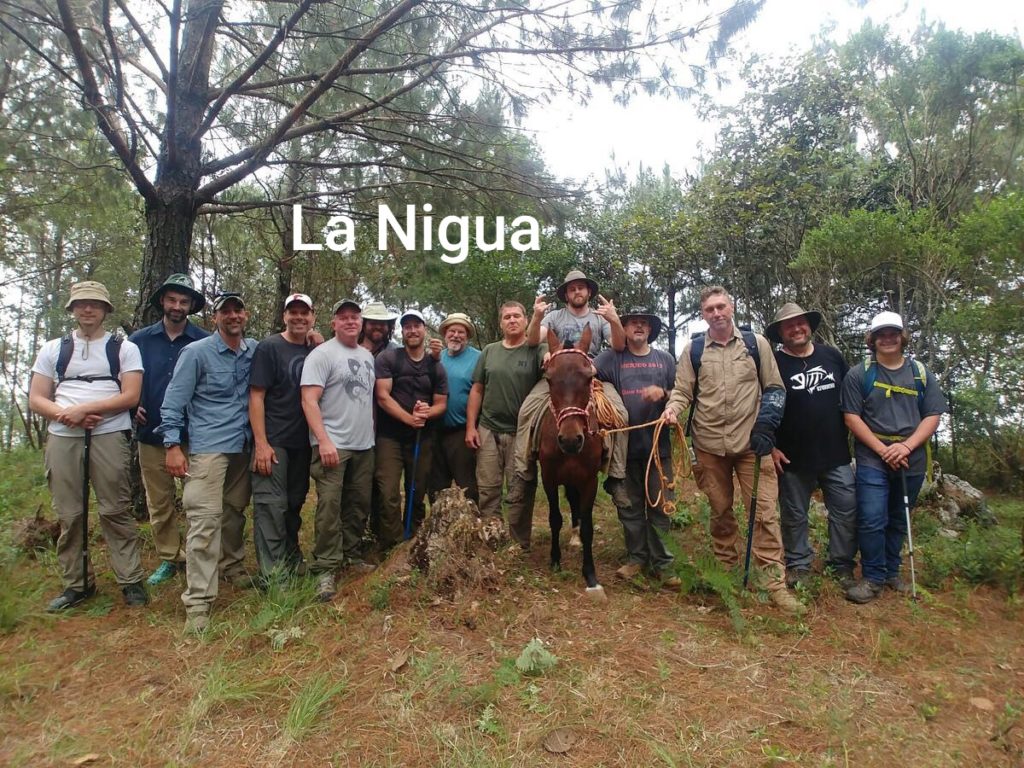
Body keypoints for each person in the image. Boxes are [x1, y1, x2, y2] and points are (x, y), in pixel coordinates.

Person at [662, 286, 803, 615]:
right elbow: (683, 390)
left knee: (765, 514)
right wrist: (672, 409)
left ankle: (774, 585)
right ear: (702, 314)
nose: (716, 313)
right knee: (721, 513)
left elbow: (775, 388)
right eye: (709, 308)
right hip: (709, 447)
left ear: (732, 307)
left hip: (753, 447)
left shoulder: (756, 345)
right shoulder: (694, 350)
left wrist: (767, 425)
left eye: (721, 306)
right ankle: (727, 577)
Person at [30, 281, 148, 611]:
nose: (88, 309)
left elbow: (131, 395)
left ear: (106, 310)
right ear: (72, 308)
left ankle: (130, 579)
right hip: (64, 435)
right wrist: (68, 415)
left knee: (115, 508)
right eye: (81, 303)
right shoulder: (54, 349)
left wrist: (89, 410)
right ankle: (77, 584)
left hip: (109, 432)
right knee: (70, 512)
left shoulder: (123, 349)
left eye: (95, 304)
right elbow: (37, 398)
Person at [159, 291, 257, 635]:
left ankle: (232, 565)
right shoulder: (196, 353)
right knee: (204, 519)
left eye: (238, 309)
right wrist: (172, 444)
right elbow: (173, 402)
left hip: (244, 446)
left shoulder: (254, 351)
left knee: (234, 511)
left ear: (245, 315)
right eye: (225, 311)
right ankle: (198, 602)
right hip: (208, 448)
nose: (233, 315)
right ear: (215, 317)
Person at [840, 311, 945, 604]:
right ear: (872, 339)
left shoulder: (920, 373)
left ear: (902, 337)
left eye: (893, 333)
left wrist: (906, 447)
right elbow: (851, 416)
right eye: (881, 334)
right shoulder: (859, 374)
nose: (888, 339)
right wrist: (883, 449)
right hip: (874, 455)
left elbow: (932, 416)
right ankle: (872, 577)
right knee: (872, 517)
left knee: (899, 518)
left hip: (911, 455)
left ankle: (891, 572)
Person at [516, 269, 631, 525]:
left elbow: (620, 345)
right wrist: (536, 317)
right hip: (558, 379)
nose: (577, 292)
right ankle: (523, 469)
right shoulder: (555, 316)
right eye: (572, 288)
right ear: (566, 294)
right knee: (526, 411)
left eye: (581, 287)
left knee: (621, 414)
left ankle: (616, 476)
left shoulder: (600, 318)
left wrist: (614, 320)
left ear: (588, 292)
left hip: (589, 378)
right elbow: (533, 340)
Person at [766, 302, 857, 589]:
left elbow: (853, 399)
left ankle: (841, 564)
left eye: (800, 323)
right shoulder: (774, 364)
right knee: (794, 515)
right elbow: (759, 406)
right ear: (781, 333)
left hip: (836, 453)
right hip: (791, 457)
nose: (796, 328)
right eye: (788, 325)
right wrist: (770, 447)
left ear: (809, 326)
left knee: (846, 510)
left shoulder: (832, 356)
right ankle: (799, 565)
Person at [129, 273, 209, 587]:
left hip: (194, 434)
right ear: (162, 302)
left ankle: (196, 555)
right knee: (159, 501)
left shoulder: (203, 341)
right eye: (172, 299)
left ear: (191, 306)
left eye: (184, 301)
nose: (177, 306)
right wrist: (130, 406)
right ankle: (169, 558)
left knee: (196, 500)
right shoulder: (139, 341)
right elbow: (122, 381)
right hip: (151, 434)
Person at [595, 309, 680, 586]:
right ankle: (636, 558)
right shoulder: (611, 358)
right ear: (625, 328)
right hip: (624, 449)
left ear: (650, 330)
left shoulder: (665, 360)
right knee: (629, 508)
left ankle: (664, 565)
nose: (639, 327)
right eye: (634, 323)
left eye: (644, 323)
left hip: (658, 448)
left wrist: (664, 395)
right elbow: (587, 372)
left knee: (661, 506)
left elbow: (680, 394)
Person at [300, 299, 377, 602]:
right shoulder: (322, 355)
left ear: (361, 323)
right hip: (333, 444)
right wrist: (323, 440)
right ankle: (325, 568)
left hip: (363, 445)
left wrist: (370, 435)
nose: (349, 322)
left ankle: (352, 556)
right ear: (333, 323)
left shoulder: (366, 356)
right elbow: (309, 400)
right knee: (329, 508)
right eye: (343, 318)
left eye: (354, 317)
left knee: (357, 505)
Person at [249, 292, 320, 583]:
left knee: (294, 503)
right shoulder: (269, 348)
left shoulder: (316, 350)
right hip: (275, 438)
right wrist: (261, 444)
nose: (299, 317)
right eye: (294, 312)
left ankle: (292, 557)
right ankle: (273, 573)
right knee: (270, 505)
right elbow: (256, 396)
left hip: (303, 440)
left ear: (313, 317)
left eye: (305, 312)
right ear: (285, 316)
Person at [465, 301, 546, 540]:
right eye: (507, 317)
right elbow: (477, 390)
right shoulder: (490, 351)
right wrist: (471, 427)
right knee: (488, 488)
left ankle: (519, 544)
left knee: (521, 487)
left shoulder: (536, 350)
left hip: (522, 434)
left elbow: (551, 362)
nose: (512, 320)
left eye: (517, 316)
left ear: (525, 320)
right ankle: (493, 537)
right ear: (501, 323)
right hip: (488, 428)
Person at [373, 309, 448, 546]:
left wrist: (426, 414)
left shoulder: (436, 365)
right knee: (388, 493)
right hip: (390, 437)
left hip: (422, 437)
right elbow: (382, 396)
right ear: (402, 332)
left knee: (417, 491)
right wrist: (408, 418)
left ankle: (413, 541)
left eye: (417, 326)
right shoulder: (389, 359)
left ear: (425, 330)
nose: (412, 330)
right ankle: (392, 543)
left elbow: (441, 404)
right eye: (407, 327)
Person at [428, 312, 481, 503]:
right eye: (452, 331)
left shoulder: (478, 358)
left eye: (461, 332)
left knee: (467, 486)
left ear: (467, 336)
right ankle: (438, 528)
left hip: (461, 432)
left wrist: (472, 427)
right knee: (435, 485)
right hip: (434, 431)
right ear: (445, 334)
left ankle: (471, 527)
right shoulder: (436, 358)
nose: (456, 335)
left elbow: (481, 391)